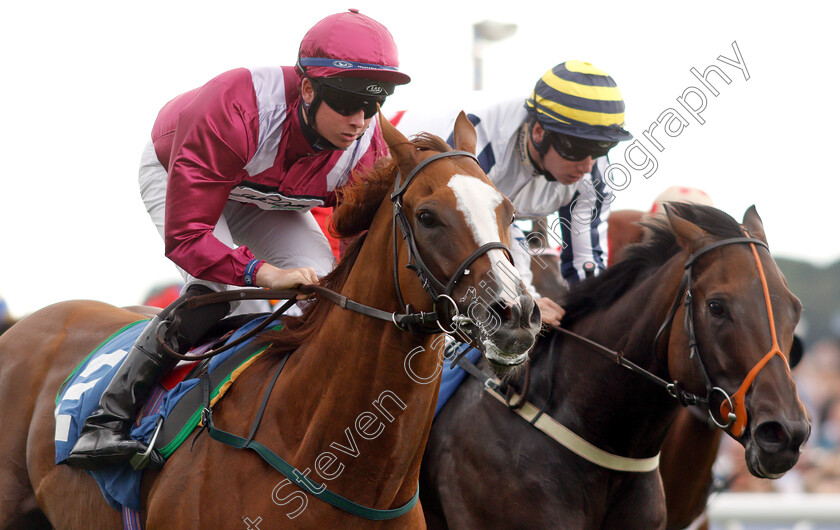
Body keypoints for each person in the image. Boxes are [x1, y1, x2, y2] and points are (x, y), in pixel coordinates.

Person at [67, 9, 410, 469]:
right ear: (308, 88)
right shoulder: (236, 106)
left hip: (265, 199)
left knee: (328, 293)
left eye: (374, 105)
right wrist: (262, 273)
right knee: (224, 293)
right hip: (184, 170)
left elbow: (362, 251)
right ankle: (107, 421)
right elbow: (189, 238)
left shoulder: (368, 147)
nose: (360, 121)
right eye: (348, 104)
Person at [394, 61, 633, 326]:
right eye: (576, 148)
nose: (587, 165)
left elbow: (585, 261)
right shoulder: (484, 143)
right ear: (540, 132)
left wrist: (596, 321)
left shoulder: (593, 172)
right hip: (387, 161)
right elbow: (471, 239)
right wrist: (524, 297)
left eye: (601, 149)